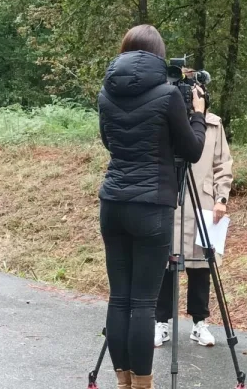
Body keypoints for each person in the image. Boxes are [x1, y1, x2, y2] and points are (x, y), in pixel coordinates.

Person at [98, 24, 207, 389]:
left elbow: (109, 141)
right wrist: (197, 114)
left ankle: (124, 383)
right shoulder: (167, 94)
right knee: (143, 303)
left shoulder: (106, 92)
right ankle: (143, 385)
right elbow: (192, 150)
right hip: (151, 205)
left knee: (119, 300)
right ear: (158, 55)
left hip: (112, 202)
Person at [154, 71, 233, 348]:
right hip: (171, 202)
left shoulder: (213, 124)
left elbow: (223, 164)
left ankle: (200, 323)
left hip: (203, 204)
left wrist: (221, 199)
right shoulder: (165, 119)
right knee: (166, 263)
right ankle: (161, 322)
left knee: (201, 266)